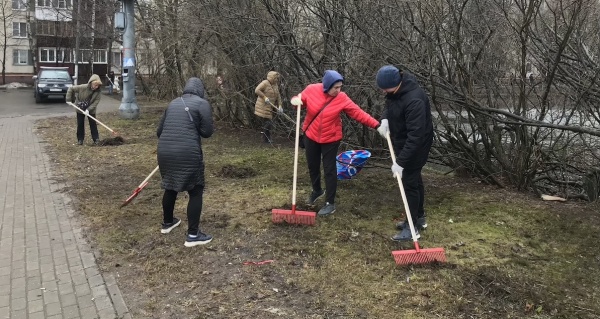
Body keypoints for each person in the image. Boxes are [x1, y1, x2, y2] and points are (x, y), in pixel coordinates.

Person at [291, 70, 381, 216]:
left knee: (329, 169)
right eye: (336, 87)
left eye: (340, 87)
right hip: (311, 134)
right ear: (327, 86)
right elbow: (299, 100)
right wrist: (296, 101)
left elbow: (358, 113)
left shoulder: (342, 98)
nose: (339, 90)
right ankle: (317, 190)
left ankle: (329, 203)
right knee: (312, 165)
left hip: (331, 138)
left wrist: (377, 125)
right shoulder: (312, 89)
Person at [375, 65, 434, 241]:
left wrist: (400, 162)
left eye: (386, 88)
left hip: (416, 146)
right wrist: (385, 118)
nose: (384, 92)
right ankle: (419, 217)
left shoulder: (414, 100)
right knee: (415, 180)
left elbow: (415, 136)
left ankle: (412, 226)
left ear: (396, 83)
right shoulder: (397, 91)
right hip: (403, 141)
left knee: (409, 184)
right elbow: (391, 103)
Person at [156, 77, 214, 247]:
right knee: (195, 190)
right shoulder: (202, 104)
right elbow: (207, 132)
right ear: (200, 90)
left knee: (170, 185)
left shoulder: (173, 103)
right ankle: (193, 235)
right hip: (187, 152)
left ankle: (168, 223)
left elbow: (159, 132)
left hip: (165, 151)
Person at [66, 74, 103, 145]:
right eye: (95, 85)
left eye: (97, 85)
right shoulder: (83, 87)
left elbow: (95, 103)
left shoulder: (98, 92)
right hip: (80, 108)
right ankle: (80, 139)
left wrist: (88, 110)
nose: (96, 87)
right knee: (80, 124)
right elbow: (71, 88)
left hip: (91, 109)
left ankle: (96, 139)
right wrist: (68, 99)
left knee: (93, 124)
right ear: (91, 83)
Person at [254, 71, 283, 143]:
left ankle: (266, 138)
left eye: (277, 79)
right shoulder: (265, 83)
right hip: (263, 106)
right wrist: (264, 97)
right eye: (275, 78)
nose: (276, 80)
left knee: (268, 122)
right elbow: (257, 90)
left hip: (270, 107)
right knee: (268, 122)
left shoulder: (275, 85)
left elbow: (278, 96)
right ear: (271, 78)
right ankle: (266, 139)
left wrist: (280, 105)